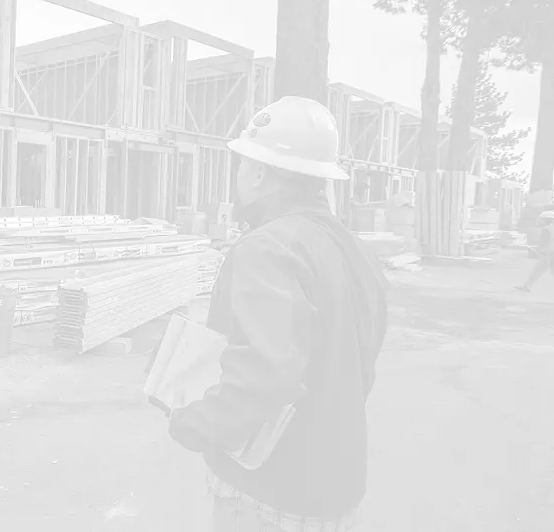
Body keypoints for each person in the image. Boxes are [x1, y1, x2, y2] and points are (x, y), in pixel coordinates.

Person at [166, 96, 389, 531]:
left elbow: (268, 371)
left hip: (272, 488)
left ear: (260, 171)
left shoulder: (268, 247)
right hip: (335, 483)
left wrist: (195, 422)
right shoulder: (353, 250)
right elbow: (359, 358)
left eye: (242, 164)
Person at [515, 210, 554, 295]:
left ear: (546, 220)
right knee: (545, 271)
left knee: (548, 271)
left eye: (542, 219)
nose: (540, 221)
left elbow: (544, 242)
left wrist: (538, 249)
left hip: (549, 255)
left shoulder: (546, 229)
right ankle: (527, 286)